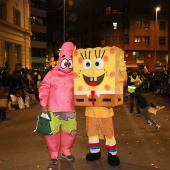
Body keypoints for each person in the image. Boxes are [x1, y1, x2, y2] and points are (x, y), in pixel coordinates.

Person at [39, 42, 76, 168]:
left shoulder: (76, 75)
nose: (67, 61)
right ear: (60, 57)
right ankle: (53, 154)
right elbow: (44, 88)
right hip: (53, 110)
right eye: (65, 57)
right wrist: (43, 103)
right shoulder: (51, 74)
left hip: (70, 110)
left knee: (70, 132)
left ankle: (66, 151)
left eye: (70, 58)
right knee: (52, 134)